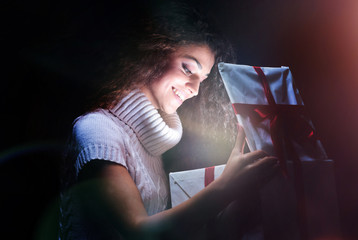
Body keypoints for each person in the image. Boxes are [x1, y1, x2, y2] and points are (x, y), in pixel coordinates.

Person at [59, 3, 279, 240]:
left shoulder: (150, 149)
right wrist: (226, 187)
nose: (195, 89)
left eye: (202, 79)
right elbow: (140, 232)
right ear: (153, 54)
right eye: (187, 69)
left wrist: (241, 192)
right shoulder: (97, 130)